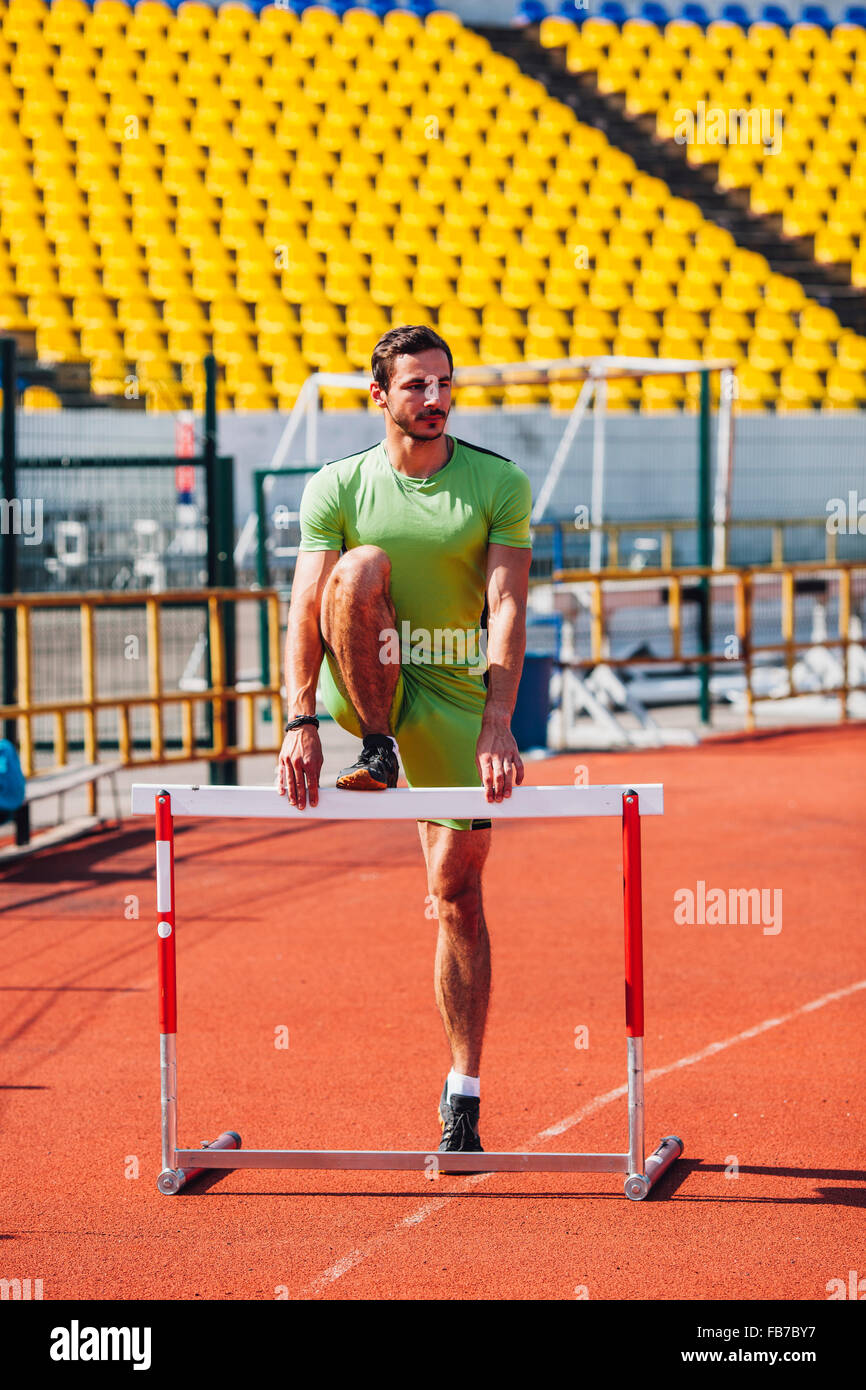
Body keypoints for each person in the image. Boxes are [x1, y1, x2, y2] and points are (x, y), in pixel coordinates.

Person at [276, 325, 533, 1156]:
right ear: (380, 397)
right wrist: (301, 720)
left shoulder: (497, 481)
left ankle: (463, 1091)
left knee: (456, 893)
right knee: (359, 566)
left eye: (444, 384)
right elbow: (306, 602)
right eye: (416, 386)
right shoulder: (337, 486)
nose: (434, 399)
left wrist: (498, 721)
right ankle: (377, 748)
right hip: (370, 680)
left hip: (456, 686)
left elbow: (508, 609)